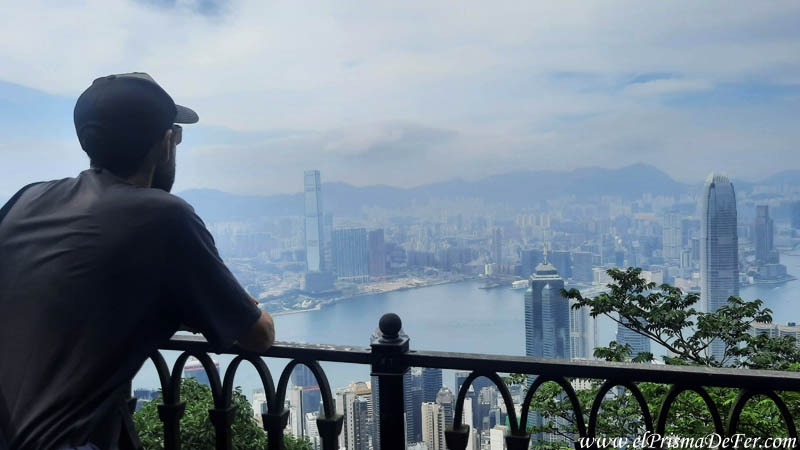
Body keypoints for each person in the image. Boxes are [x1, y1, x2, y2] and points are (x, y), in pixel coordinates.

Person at [0, 73, 275, 450]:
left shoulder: (24, 201)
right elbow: (259, 335)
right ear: (165, 143)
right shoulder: (164, 216)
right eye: (175, 134)